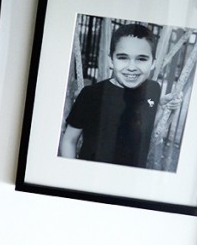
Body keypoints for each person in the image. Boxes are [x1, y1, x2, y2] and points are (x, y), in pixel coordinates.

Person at [60, 23, 165, 168]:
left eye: (141, 59)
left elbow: (146, 127)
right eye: (123, 58)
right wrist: (71, 173)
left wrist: (162, 109)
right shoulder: (91, 95)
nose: (132, 67)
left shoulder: (153, 89)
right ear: (111, 60)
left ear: (153, 63)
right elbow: (69, 140)